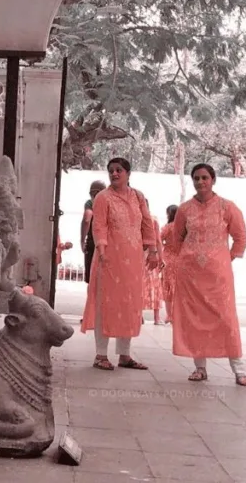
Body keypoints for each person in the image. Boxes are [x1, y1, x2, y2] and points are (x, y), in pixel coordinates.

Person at [166, 164, 246, 386]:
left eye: (205, 178)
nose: (200, 182)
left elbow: (241, 236)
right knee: (195, 320)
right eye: (196, 178)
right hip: (191, 275)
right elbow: (177, 239)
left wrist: (226, 257)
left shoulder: (227, 207)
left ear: (213, 180)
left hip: (218, 275)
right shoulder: (185, 209)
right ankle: (200, 369)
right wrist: (188, 258)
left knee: (226, 318)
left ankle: (239, 370)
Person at [81, 158, 159, 371]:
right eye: (111, 171)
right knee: (105, 304)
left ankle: (124, 355)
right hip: (108, 258)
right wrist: (102, 249)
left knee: (129, 305)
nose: (114, 174)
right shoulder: (103, 198)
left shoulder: (138, 197)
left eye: (119, 170)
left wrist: (152, 250)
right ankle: (100, 355)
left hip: (133, 260)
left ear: (128, 173)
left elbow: (147, 224)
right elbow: (99, 226)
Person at [81, 180, 106, 283]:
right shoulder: (110, 203)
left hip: (93, 243)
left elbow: (87, 218)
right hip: (108, 244)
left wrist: (82, 240)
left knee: (92, 279)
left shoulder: (90, 203)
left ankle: (93, 299)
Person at [160, 205, 179, 325]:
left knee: (167, 288)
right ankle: (178, 315)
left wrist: (165, 246)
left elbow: (159, 239)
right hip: (181, 259)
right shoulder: (183, 228)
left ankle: (169, 316)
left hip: (168, 259)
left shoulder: (167, 227)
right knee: (179, 288)